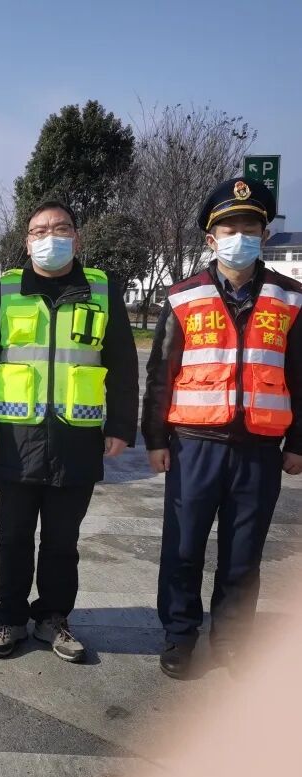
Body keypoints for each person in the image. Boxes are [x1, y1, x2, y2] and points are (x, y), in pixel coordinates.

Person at [142, 177, 302, 679]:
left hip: (260, 448)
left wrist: (298, 443)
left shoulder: (291, 298)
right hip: (194, 446)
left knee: (244, 552)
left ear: (265, 235)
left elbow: (300, 375)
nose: (241, 237)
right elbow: (161, 374)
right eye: (230, 230)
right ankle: (179, 635)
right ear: (211, 239)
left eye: (250, 228)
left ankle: (232, 640)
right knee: (183, 547)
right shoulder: (183, 296)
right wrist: (155, 440)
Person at [0, 200, 138, 661]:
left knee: (63, 542)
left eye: (61, 229)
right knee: (13, 537)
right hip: (14, 439)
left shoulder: (101, 290)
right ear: (27, 243)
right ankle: (9, 619)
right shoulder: (3, 290)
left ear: (76, 239)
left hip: (76, 440)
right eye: (39, 231)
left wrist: (122, 425)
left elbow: (123, 363)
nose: (50, 238)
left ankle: (53, 619)